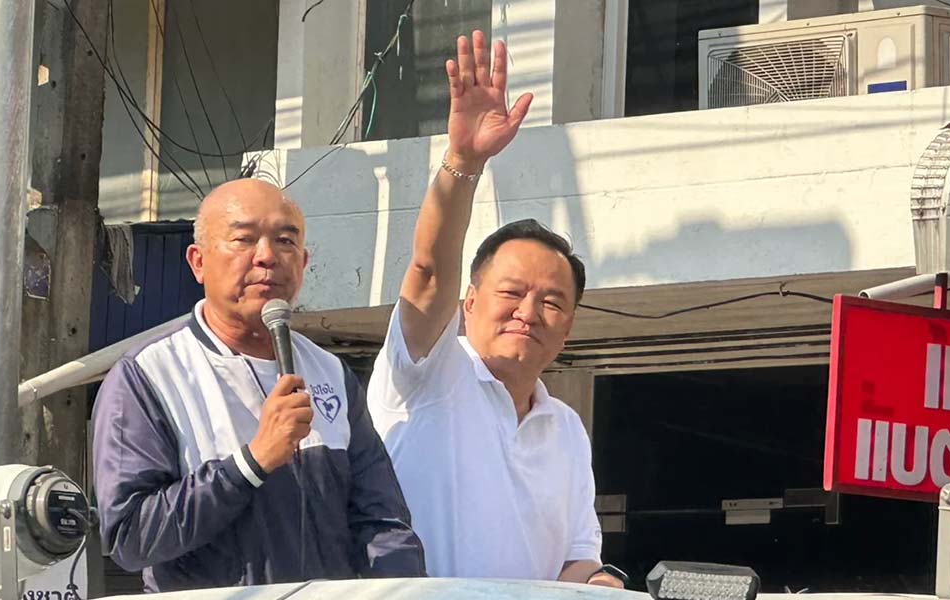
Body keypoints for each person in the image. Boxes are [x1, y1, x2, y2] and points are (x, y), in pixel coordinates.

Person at [366, 31, 626, 588]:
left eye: (551, 301)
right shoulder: (427, 374)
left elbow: (576, 559)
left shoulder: (566, 430)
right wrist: (463, 162)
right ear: (469, 302)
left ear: (568, 327)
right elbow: (429, 271)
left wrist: (600, 584)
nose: (528, 312)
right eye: (511, 292)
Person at [92, 179, 425, 592]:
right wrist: (250, 464)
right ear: (198, 261)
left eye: (285, 241)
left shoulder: (330, 373)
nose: (267, 256)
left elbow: (381, 521)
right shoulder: (149, 375)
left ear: (304, 262)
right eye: (244, 239)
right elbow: (131, 537)